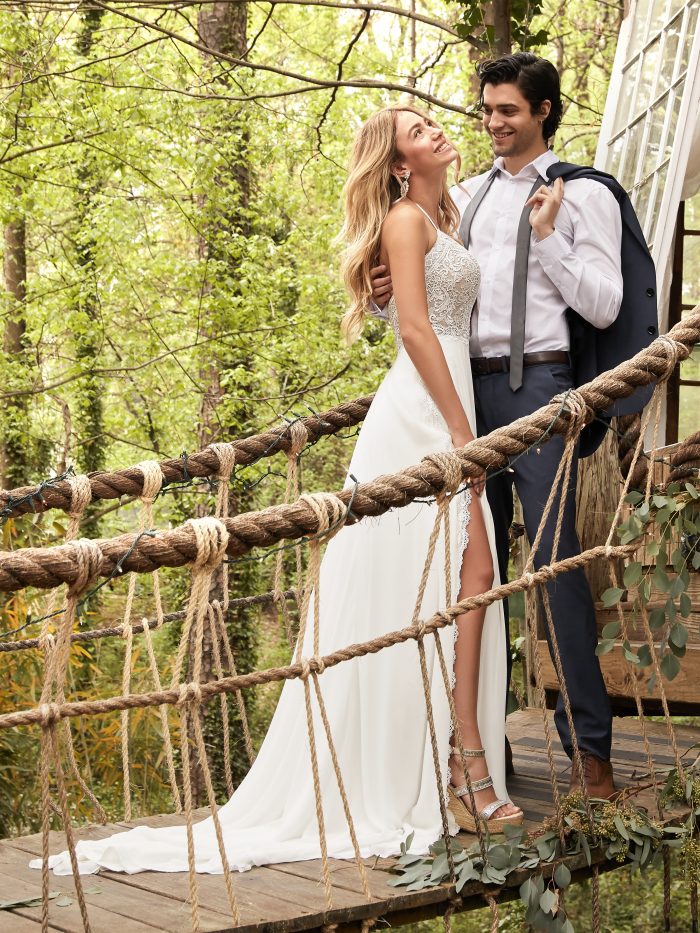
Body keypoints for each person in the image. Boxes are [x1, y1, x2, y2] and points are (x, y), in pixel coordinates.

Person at [35, 105, 521, 879]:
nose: (434, 130)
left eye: (430, 122)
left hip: (445, 398)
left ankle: (460, 759)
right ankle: (465, 766)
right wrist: (465, 437)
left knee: (467, 578)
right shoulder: (405, 217)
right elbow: (420, 332)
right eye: (416, 132)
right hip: (425, 413)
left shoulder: (442, 213)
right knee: (456, 577)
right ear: (398, 165)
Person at [371, 54, 657, 801]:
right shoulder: (459, 196)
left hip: (542, 389)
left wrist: (551, 237)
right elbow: (425, 296)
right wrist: (379, 296)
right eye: (487, 109)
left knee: (556, 567)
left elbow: (601, 305)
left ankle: (589, 753)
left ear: (544, 111)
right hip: (460, 396)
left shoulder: (581, 194)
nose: (494, 122)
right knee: (472, 571)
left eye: (509, 111)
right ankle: (478, 747)